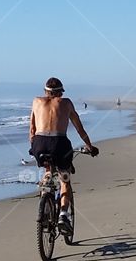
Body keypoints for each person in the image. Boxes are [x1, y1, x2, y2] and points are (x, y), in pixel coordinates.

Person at [29, 77, 98, 230]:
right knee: (64, 179)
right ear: (60, 92)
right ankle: (63, 216)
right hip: (59, 143)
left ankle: (45, 206)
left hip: (39, 143)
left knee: (48, 172)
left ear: (45, 91)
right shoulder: (66, 103)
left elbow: (32, 131)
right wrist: (90, 147)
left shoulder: (36, 101)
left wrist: (33, 148)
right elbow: (80, 130)